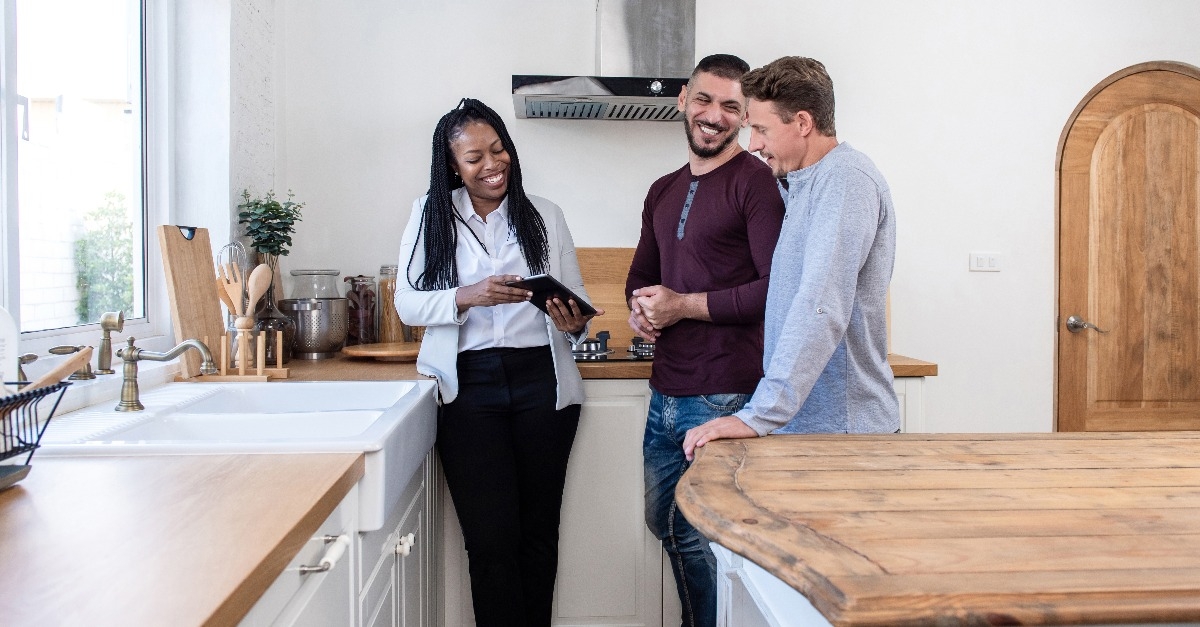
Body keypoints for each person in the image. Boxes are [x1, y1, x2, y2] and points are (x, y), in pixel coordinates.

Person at [395, 98, 602, 626]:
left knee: (538, 536)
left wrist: (573, 321)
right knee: (490, 542)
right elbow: (408, 302)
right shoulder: (430, 214)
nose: (492, 164)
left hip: (542, 385)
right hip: (469, 389)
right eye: (473, 158)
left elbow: (576, 300)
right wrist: (469, 296)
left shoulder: (545, 215)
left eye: (498, 148)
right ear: (452, 166)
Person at [625, 54, 785, 627]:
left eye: (730, 107)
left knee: (703, 538)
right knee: (664, 523)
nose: (713, 115)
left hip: (727, 395)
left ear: (744, 118)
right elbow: (641, 273)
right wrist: (640, 310)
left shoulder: (758, 184)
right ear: (683, 101)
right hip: (666, 391)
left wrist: (682, 306)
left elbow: (774, 290)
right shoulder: (662, 190)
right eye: (704, 100)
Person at [682, 56, 900, 460]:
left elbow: (822, 304)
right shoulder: (804, 183)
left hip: (842, 433)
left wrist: (759, 415)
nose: (754, 145)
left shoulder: (845, 180)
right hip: (810, 426)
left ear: (802, 123)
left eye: (762, 129)